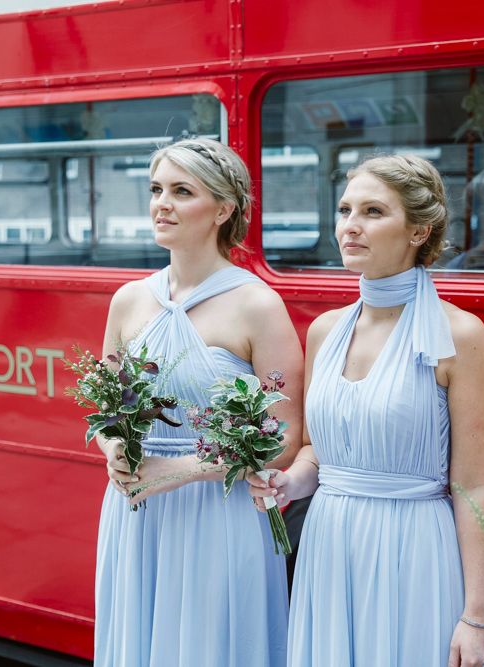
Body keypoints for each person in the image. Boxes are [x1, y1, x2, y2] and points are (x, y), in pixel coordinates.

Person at [249, 154, 484, 666]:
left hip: (415, 548)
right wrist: (292, 480)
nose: (351, 226)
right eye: (345, 210)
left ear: (418, 230)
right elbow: (318, 448)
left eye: (372, 212)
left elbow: (474, 485)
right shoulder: (325, 330)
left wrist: (477, 616)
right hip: (329, 545)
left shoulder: (461, 337)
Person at [94, 137, 303, 667]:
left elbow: (281, 440)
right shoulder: (129, 299)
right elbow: (108, 408)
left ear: (223, 209)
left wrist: (179, 469)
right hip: (137, 513)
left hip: (219, 513)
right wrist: (115, 449)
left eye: (181, 191)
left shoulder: (258, 304)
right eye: (156, 189)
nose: (161, 203)